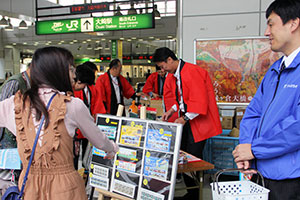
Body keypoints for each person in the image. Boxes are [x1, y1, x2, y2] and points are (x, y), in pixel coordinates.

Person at [0, 46, 118, 199]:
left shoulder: (14, 104)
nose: (74, 76)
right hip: (65, 188)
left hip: (29, 187)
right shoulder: (73, 105)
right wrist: (112, 149)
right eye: (70, 70)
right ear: (57, 72)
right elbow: (99, 140)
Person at [232, 1, 300, 199]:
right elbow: (254, 113)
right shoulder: (275, 69)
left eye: (271, 24)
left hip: (292, 179)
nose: (266, 32)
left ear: (293, 24)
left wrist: (255, 149)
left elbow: (297, 126)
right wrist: (247, 153)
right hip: (262, 173)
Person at [153, 47, 222, 199]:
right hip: (189, 121)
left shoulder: (192, 72)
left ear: (169, 60)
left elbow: (200, 102)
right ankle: (190, 192)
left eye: (162, 66)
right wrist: (171, 111)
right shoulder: (175, 75)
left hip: (198, 122)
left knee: (193, 159)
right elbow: (181, 100)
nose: (162, 69)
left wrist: (184, 118)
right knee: (183, 157)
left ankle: (194, 194)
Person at [0, 65, 31, 194]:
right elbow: (3, 112)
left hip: (16, 141)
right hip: (8, 143)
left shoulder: (27, 83)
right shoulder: (15, 83)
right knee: (9, 184)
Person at [73, 63, 106, 170]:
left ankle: (85, 173)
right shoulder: (72, 90)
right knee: (74, 155)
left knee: (87, 154)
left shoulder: (92, 88)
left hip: (88, 127)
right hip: (75, 129)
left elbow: (97, 105)